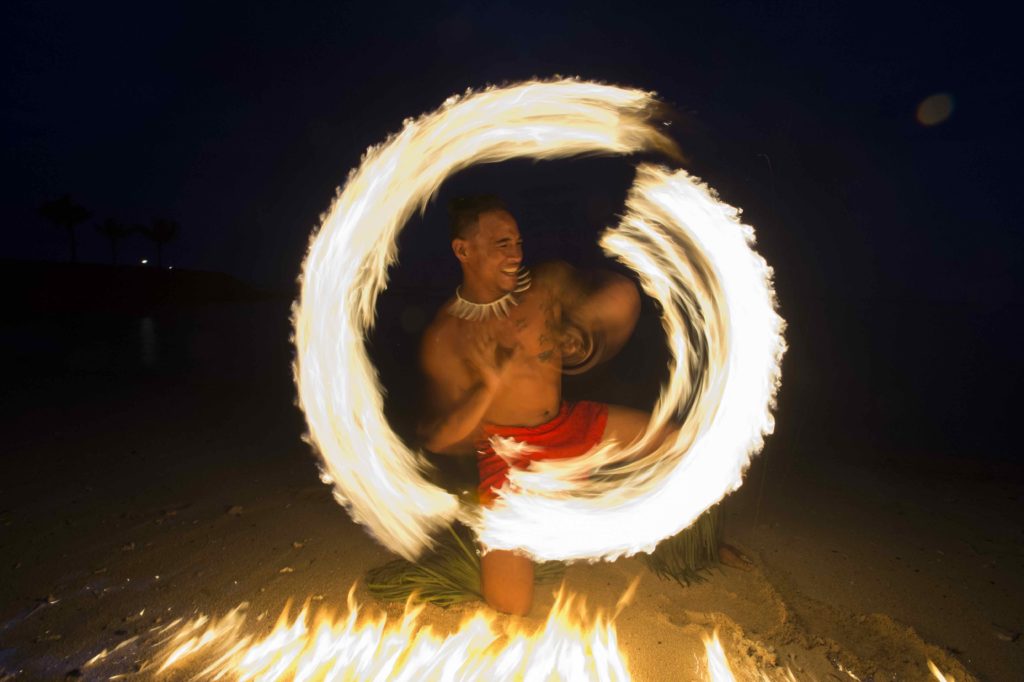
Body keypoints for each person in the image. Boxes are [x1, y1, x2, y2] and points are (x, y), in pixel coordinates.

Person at [417, 195, 653, 616]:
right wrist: (487, 386)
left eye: (519, 242)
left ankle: (697, 544)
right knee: (510, 605)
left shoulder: (547, 284)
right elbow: (439, 437)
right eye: (502, 244)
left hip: (567, 424)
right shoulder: (447, 335)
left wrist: (585, 336)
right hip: (507, 456)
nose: (517, 254)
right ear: (462, 250)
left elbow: (620, 296)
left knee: (678, 445)